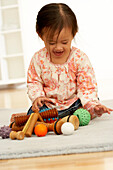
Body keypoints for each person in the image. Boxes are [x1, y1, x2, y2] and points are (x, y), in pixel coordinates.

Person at [27, 3, 113, 119]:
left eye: (64, 42)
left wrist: (92, 104)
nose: (58, 48)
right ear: (41, 35)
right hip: (50, 106)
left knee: (88, 105)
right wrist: (38, 97)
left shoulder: (79, 58)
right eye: (52, 43)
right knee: (33, 113)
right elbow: (34, 82)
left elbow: (87, 86)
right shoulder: (38, 59)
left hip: (75, 104)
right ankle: (62, 118)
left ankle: (82, 113)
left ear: (74, 33)